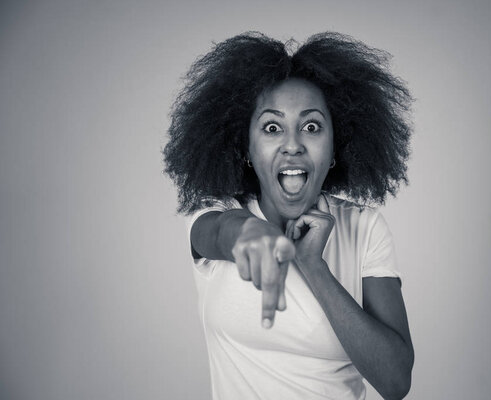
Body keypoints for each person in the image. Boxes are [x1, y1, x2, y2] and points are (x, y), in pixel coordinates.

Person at [163, 32, 414, 400]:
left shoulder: (364, 227)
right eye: (271, 127)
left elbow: (396, 382)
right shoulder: (217, 211)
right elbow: (216, 233)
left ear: (334, 149)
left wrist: (313, 266)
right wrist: (247, 231)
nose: (293, 144)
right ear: (247, 148)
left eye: (311, 127)